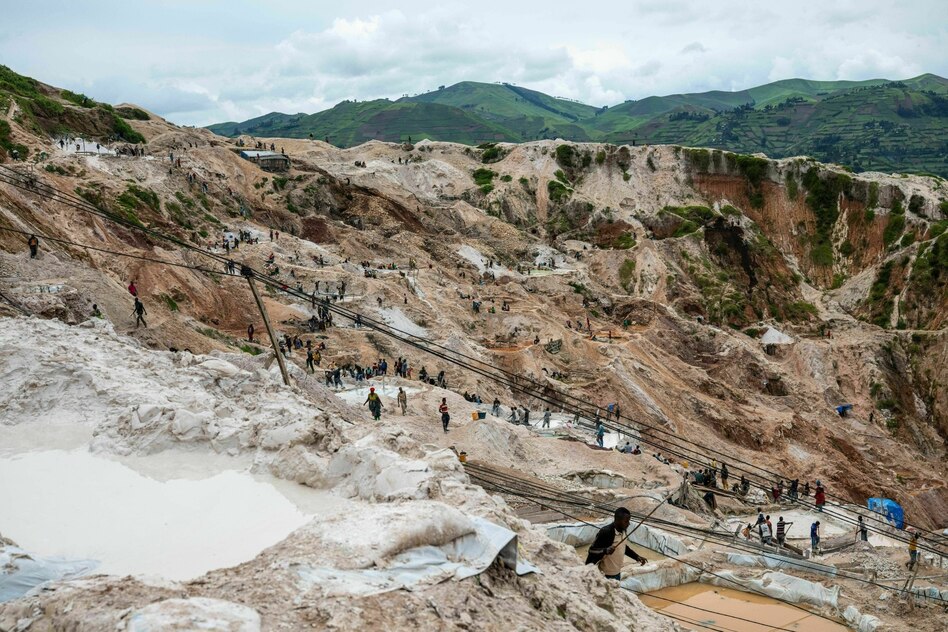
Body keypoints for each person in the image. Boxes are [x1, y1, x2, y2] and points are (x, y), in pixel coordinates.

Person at [584, 507, 647, 580]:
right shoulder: (606, 532)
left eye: (628, 521)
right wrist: (605, 550)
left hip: (617, 572)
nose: (628, 524)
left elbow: (623, 547)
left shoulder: (623, 531)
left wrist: (636, 557)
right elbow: (592, 550)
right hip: (605, 574)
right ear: (617, 520)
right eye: (626, 521)